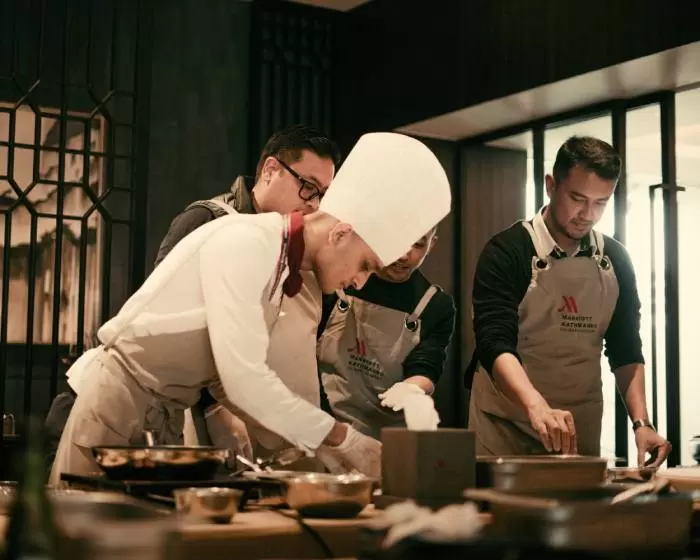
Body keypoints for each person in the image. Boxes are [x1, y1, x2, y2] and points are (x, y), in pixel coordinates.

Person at [48, 131, 452, 485]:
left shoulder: (281, 262)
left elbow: (231, 378)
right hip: (117, 404)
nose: (361, 281)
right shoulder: (246, 241)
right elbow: (244, 376)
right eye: (364, 264)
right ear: (341, 233)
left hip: (164, 417)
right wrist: (339, 438)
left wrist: (308, 452)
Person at [44, 124, 340, 469]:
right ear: (271, 170)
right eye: (307, 187)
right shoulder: (213, 221)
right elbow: (169, 323)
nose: (313, 205)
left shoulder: (283, 249)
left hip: (180, 406)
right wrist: (215, 407)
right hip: (130, 401)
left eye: (322, 195)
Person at [466, 135, 671, 467]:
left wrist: (642, 423)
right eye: (578, 198)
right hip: (507, 425)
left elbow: (626, 349)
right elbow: (494, 342)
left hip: (576, 428)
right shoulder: (507, 251)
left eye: (601, 203)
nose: (587, 214)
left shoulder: (615, 259)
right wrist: (535, 405)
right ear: (550, 185)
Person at [317, 227, 455, 439]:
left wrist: (411, 389)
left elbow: (426, 367)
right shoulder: (340, 278)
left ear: (431, 245)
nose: (404, 255)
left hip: (387, 436)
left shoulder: (435, 305)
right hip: (325, 421)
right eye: (398, 239)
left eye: (418, 244)